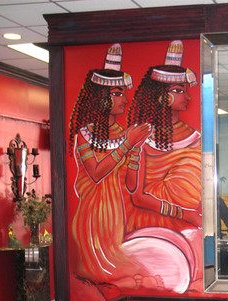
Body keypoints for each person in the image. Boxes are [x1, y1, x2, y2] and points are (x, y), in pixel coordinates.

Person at [69, 44, 152, 284]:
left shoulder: (124, 133)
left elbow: (131, 185)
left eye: (123, 93)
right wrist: (128, 144)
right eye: (117, 93)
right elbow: (95, 174)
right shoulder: (85, 134)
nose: (125, 99)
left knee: (128, 273)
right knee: (109, 275)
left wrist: (136, 150)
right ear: (101, 98)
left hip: (115, 216)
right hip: (92, 217)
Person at [125, 40, 201, 234]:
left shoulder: (195, 137)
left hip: (189, 226)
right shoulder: (142, 135)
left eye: (185, 91)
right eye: (179, 91)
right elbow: (136, 195)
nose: (187, 97)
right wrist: (183, 213)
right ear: (162, 96)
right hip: (151, 223)